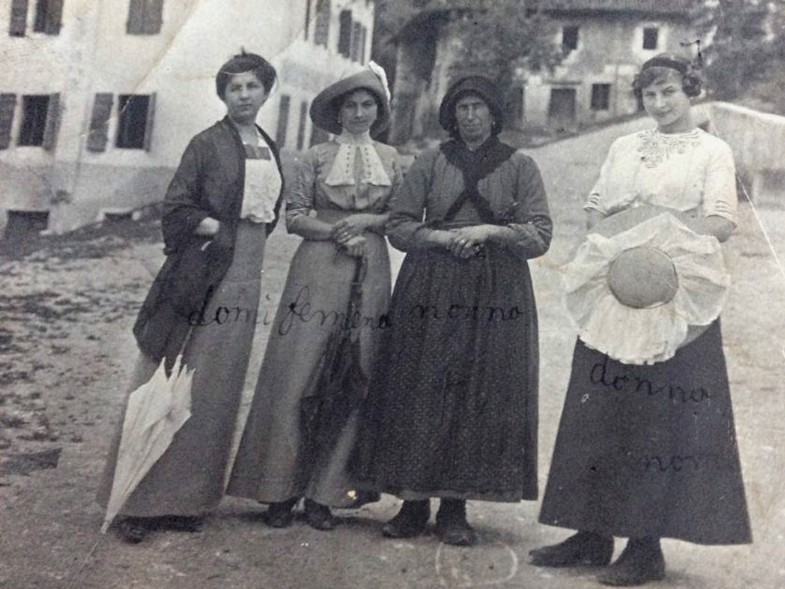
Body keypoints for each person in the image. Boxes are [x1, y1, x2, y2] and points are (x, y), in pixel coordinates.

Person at [528, 54, 751, 586]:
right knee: (599, 407)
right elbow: (595, 209)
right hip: (615, 290)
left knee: (656, 420)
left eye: (670, 91)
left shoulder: (711, 150)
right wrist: (621, 237)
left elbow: (722, 221)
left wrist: (656, 226)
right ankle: (590, 533)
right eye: (650, 94)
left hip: (675, 296)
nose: (660, 103)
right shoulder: (623, 146)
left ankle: (644, 545)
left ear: (690, 90)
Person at [350, 75, 553, 546]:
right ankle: (412, 504)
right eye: (461, 108)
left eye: (479, 107)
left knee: (476, 390)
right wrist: (441, 238)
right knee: (420, 385)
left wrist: (491, 233)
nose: (470, 116)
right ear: (451, 114)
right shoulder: (430, 161)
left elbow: (540, 234)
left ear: (494, 114)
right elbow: (400, 224)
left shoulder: (521, 166)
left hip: (496, 290)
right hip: (431, 286)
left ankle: (454, 507)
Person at [97, 51, 284, 543]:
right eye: (234, 87)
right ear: (223, 94)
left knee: (216, 388)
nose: (243, 95)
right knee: (169, 374)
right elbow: (176, 207)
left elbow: (269, 213)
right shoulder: (206, 145)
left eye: (252, 87)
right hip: (203, 270)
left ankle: (186, 499)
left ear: (267, 92)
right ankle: (136, 502)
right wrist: (221, 230)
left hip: (247, 274)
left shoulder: (269, 146)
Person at [226, 65, 403, 531]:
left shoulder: (395, 159)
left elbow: (403, 219)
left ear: (378, 111)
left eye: (368, 105)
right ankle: (278, 490)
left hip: (372, 266)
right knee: (299, 368)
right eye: (351, 106)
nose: (359, 113)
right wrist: (335, 232)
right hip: (318, 267)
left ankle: (326, 493)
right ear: (337, 113)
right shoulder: (312, 158)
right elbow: (296, 216)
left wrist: (367, 224)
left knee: (355, 371)